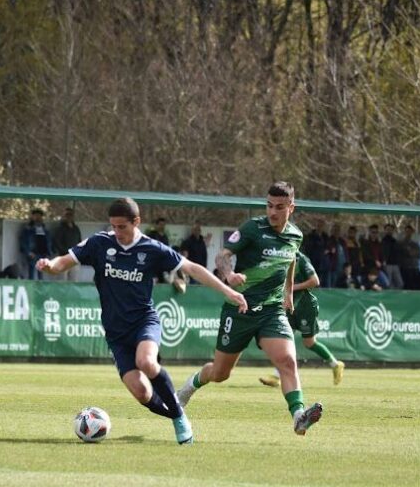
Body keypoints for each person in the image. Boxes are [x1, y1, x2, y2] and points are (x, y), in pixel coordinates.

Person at [36, 197, 248, 445]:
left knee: (145, 361)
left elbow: (192, 268)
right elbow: (64, 262)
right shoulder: (99, 243)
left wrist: (228, 291)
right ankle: (175, 409)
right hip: (116, 333)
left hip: (144, 322)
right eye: (113, 226)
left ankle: (180, 419)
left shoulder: (151, 248)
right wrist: (49, 265)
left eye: (122, 227)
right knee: (142, 392)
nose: (117, 232)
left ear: (136, 222)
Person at [177, 182, 324, 437]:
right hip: (240, 309)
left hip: (271, 311)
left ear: (292, 207)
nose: (272, 212)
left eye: (279, 207)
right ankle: (186, 390)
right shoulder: (252, 229)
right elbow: (222, 256)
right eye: (269, 206)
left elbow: (290, 261)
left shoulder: (296, 236)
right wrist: (229, 274)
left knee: (287, 361)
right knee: (221, 373)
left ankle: (299, 415)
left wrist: (288, 293)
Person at [259, 251, 345, 388]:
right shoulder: (277, 255)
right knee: (285, 340)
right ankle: (276, 376)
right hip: (289, 305)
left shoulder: (301, 259)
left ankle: (335, 364)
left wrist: (291, 288)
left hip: (305, 306)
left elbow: (315, 281)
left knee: (309, 343)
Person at [50, 208, 82, 282]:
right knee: (62, 280)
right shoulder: (60, 229)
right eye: (67, 215)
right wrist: (66, 251)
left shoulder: (76, 228)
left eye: (71, 215)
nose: (69, 217)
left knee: (74, 279)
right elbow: (57, 242)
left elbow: (79, 241)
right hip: (63, 257)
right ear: (64, 216)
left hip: (75, 258)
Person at [19, 208, 52, 280]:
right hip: (33, 254)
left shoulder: (44, 229)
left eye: (40, 216)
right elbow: (23, 242)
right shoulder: (27, 229)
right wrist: (28, 252)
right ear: (32, 217)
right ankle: (32, 289)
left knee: (41, 274)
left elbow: (48, 241)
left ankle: (40, 290)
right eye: (36, 216)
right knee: (32, 275)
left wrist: (48, 252)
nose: (38, 218)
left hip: (42, 254)